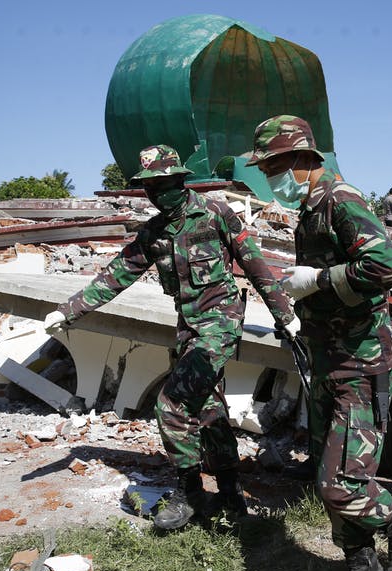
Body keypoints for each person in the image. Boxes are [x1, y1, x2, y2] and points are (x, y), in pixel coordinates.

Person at [43, 144, 295, 531]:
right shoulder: (154, 233)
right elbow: (115, 276)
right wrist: (67, 310)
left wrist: (285, 314)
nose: (158, 193)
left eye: (164, 184)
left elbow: (255, 264)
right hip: (188, 328)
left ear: (180, 180)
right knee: (209, 409)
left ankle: (189, 493)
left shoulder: (214, 214)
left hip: (221, 323)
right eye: (150, 187)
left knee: (173, 403)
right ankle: (230, 495)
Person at [246, 115, 392, 571]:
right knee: (330, 474)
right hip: (330, 357)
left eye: (274, 166)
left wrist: (319, 281)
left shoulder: (338, 199)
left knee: (340, 482)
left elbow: (388, 265)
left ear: (302, 160)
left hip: (361, 360)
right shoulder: (310, 206)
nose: (269, 177)